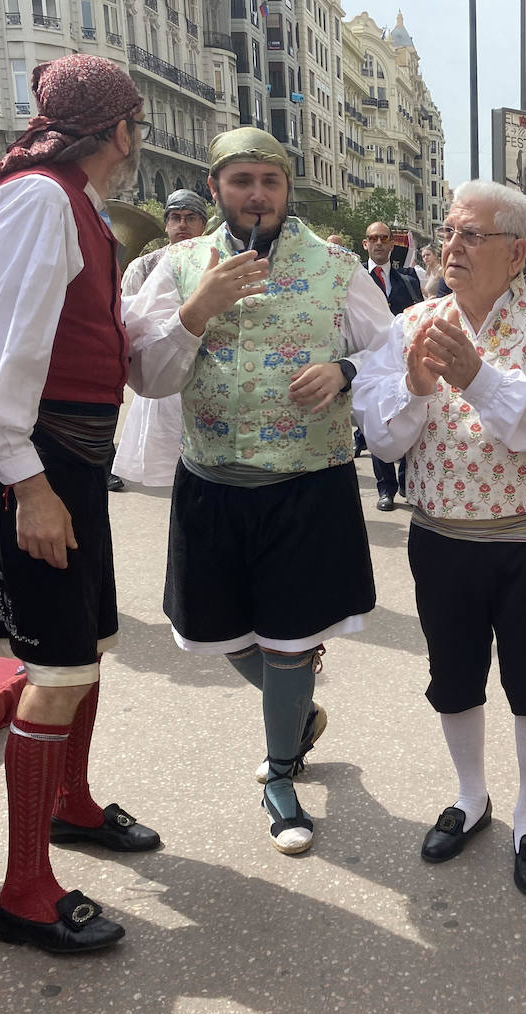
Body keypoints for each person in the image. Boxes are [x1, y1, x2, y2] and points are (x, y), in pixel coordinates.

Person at [124, 126, 392, 856]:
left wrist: (346, 370)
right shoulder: (175, 266)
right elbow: (146, 377)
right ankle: (297, 712)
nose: (256, 195)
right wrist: (196, 307)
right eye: (241, 180)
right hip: (212, 482)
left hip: (308, 485)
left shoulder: (336, 266)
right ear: (214, 189)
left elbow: (392, 354)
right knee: (214, 633)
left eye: (269, 181)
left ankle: (281, 772)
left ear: (286, 189)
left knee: (287, 644)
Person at [0, 54, 164, 954]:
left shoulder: (66, 198)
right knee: (57, 674)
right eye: (138, 121)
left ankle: (70, 805)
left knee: (88, 654)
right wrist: (27, 483)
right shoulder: (44, 198)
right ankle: (25, 892)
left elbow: (88, 341)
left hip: (67, 466)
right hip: (36, 470)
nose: (141, 136)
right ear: (117, 129)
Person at [352, 179, 526, 897]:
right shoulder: (411, 323)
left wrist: (478, 376)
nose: (450, 247)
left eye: (470, 235)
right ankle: (471, 796)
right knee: (453, 676)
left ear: (515, 252)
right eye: (447, 233)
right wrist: (421, 387)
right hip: (441, 537)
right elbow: (385, 441)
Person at [111, 189, 208, 488]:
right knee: (165, 458)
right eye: (175, 218)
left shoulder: (215, 260)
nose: (182, 225)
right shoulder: (143, 266)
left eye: (190, 218)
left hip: (205, 367)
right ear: (166, 225)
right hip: (162, 364)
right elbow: (132, 320)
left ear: (203, 225)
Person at [361, 219, 424, 511]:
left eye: (384, 237)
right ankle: (385, 488)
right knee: (378, 420)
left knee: (406, 419)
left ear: (391, 243)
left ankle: (405, 481)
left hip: (402, 362)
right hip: (368, 361)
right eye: (373, 238)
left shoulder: (408, 280)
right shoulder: (356, 279)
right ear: (366, 243)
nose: (379, 243)